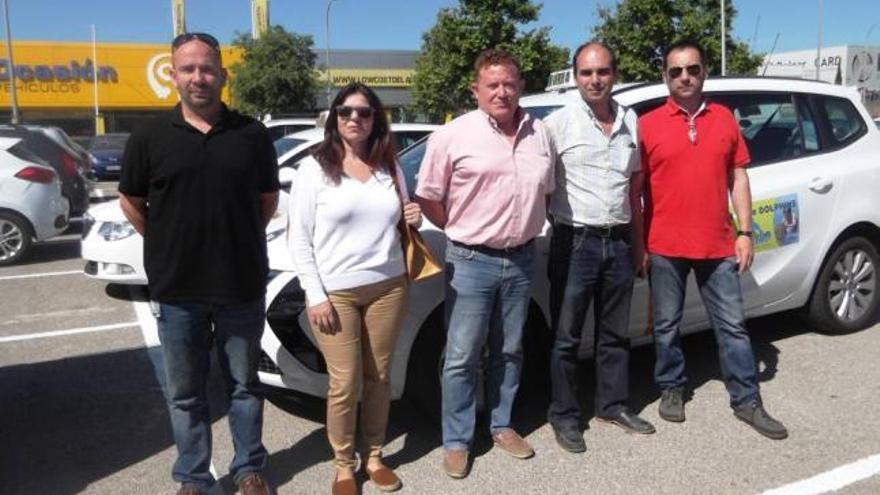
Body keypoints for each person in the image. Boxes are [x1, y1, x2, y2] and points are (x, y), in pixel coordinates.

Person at [118, 32, 278, 495]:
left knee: (244, 386)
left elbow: (266, 201)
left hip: (240, 285)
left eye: (207, 68)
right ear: (173, 75)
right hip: (177, 289)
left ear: (223, 75)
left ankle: (249, 469)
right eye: (187, 69)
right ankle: (193, 477)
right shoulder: (149, 136)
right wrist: (167, 238)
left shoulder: (250, 134)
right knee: (185, 394)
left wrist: (234, 238)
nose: (198, 77)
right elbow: (131, 199)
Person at [415, 48, 555, 479]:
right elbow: (428, 196)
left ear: (520, 87)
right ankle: (457, 440)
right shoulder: (452, 136)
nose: (502, 91)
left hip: (520, 259)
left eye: (509, 83)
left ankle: (502, 424)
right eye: (492, 84)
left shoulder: (540, 133)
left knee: (510, 350)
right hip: (470, 261)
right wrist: (459, 227)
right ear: (476, 89)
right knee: (460, 355)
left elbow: (545, 193)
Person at [639, 40, 788, 440]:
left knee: (733, 327)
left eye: (692, 69)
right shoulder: (647, 124)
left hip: (718, 242)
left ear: (704, 71)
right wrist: (639, 243)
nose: (684, 77)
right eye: (676, 71)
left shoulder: (724, 118)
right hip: (665, 244)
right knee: (666, 326)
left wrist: (744, 232)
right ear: (665, 76)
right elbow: (635, 187)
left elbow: (738, 176)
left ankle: (747, 400)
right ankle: (671, 387)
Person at [288, 82, 422, 495]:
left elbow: (400, 218)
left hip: (388, 286)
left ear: (375, 119)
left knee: (379, 376)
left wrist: (411, 214)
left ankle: (376, 455)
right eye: (345, 111)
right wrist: (316, 294)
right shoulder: (314, 168)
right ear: (334, 117)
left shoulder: (389, 166)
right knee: (344, 383)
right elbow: (299, 239)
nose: (354, 119)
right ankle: (344, 464)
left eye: (364, 113)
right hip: (337, 294)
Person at [543, 41, 655, 454]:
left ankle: (612, 405)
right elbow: (541, 185)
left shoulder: (631, 121)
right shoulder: (556, 124)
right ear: (575, 77)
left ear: (615, 75)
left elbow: (635, 188)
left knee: (614, 334)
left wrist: (639, 245)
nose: (595, 80)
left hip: (620, 241)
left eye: (603, 72)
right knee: (566, 337)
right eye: (586, 73)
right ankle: (565, 415)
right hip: (576, 242)